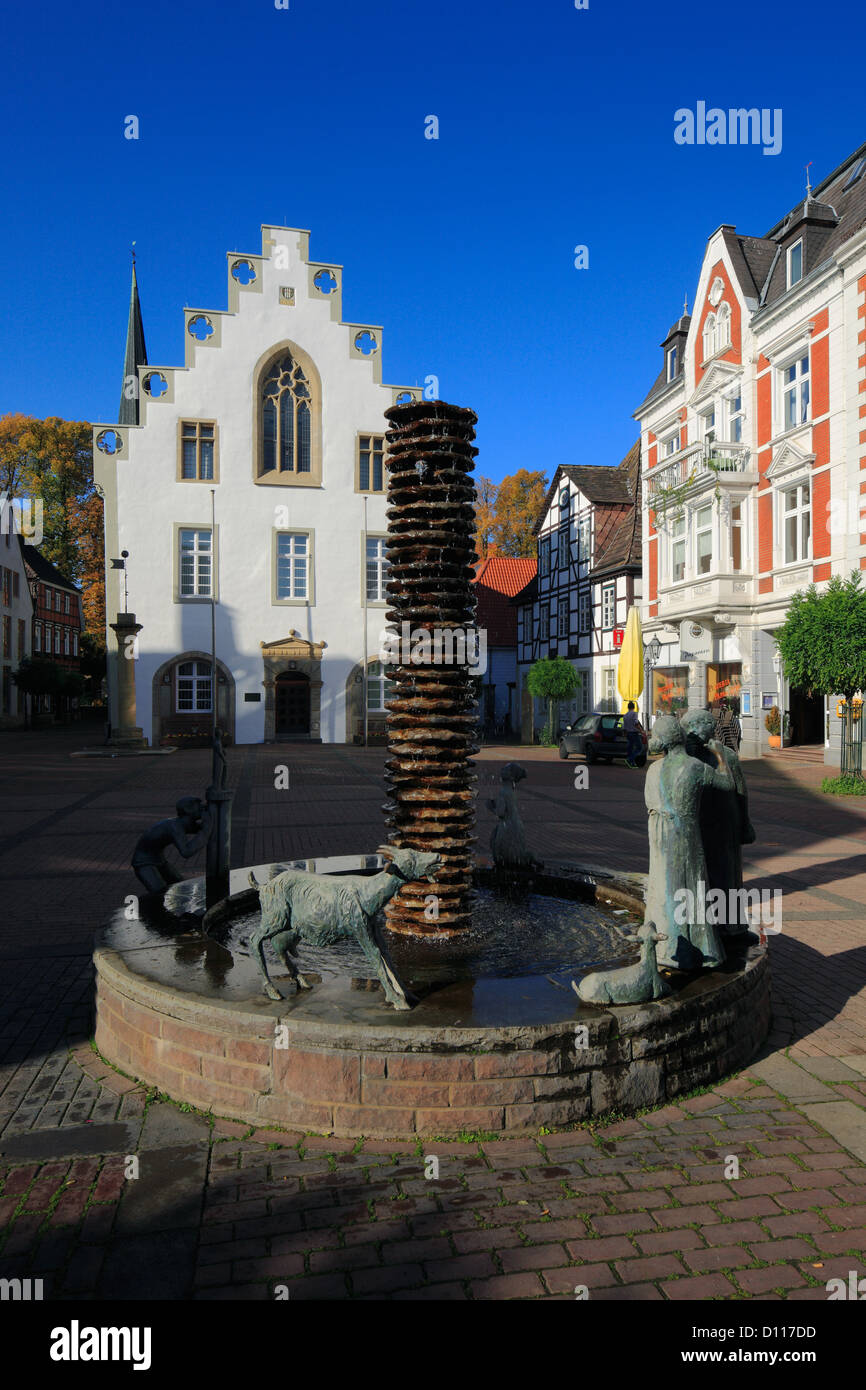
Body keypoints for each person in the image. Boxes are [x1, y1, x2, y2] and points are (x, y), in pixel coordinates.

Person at [643, 715, 733, 970]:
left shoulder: (654, 770)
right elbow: (727, 783)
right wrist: (720, 757)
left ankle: (668, 946)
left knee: (666, 889)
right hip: (688, 837)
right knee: (693, 887)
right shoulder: (694, 767)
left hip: (662, 837)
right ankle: (702, 950)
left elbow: (650, 804)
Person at [132, 797, 214, 895]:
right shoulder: (175, 827)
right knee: (159, 892)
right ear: (187, 810)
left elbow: (199, 829)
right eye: (199, 807)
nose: (202, 809)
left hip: (158, 860)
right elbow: (186, 852)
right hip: (143, 863)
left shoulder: (181, 823)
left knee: (181, 885)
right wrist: (206, 831)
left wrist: (207, 826)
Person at [623, 701, 643, 768]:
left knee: (630, 748)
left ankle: (632, 763)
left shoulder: (625, 715)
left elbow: (624, 727)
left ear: (628, 707)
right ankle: (630, 759)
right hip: (634, 733)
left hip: (628, 733)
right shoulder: (634, 714)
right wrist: (641, 730)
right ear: (634, 707)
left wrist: (625, 734)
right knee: (639, 747)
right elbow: (636, 723)